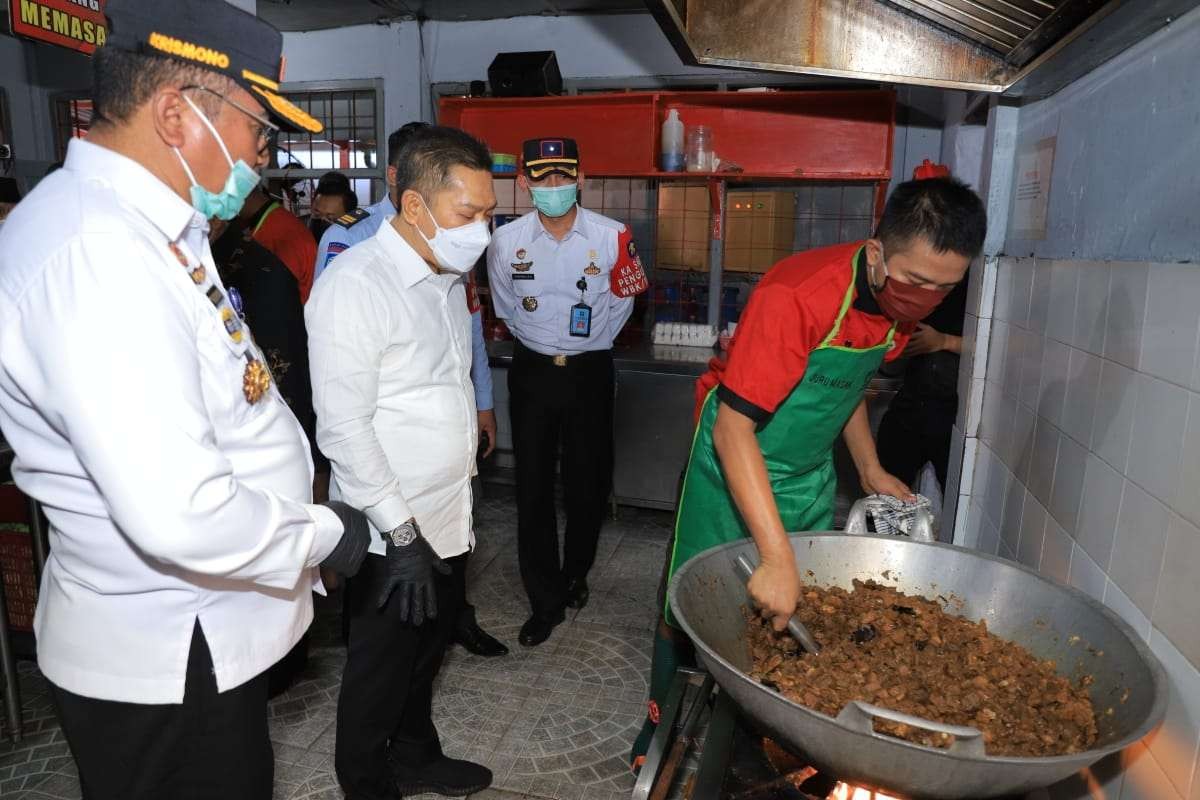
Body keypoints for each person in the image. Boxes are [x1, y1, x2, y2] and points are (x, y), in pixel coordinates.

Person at [0, 2, 399, 797]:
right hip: (163, 656)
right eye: (259, 126)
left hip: (194, 638)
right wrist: (322, 534)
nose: (263, 151)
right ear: (176, 112)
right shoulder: (100, 254)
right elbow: (177, 509)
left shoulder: (149, 231)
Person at [631, 176, 987, 765]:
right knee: (689, 601)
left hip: (807, 467)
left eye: (943, 289)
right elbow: (733, 428)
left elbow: (845, 387)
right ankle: (658, 731)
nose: (925, 299)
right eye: (917, 282)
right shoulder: (799, 295)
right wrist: (775, 557)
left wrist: (868, 467)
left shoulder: (898, 310)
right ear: (877, 253)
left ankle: (755, 728)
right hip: (734, 464)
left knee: (790, 605)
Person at [306, 125, 496, 800]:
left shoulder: (444, 277)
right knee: (380, 667)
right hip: (395, 527)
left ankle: (415, 754)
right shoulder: (355, 285)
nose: (482, 229)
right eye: (466, 214)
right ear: (414, 206)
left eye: (488, 213)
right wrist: (402, 534)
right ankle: (364, 781)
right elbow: (344, 428)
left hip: (449, 511)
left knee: (429, 649)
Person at [486, 137, 649, 647]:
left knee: (587, 482)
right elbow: (506, 308)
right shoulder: (503, 241)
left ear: (580, 178)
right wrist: (543, 341)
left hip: (589, 372)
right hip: (532, 371)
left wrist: (588, 341)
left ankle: (575, 572)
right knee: (531, 486)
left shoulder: (614, 236)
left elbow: (625, 302)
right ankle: (544, 599)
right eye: (541, 178)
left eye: (562, 176)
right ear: (523, 183)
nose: (553, 187)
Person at [876, 276, 967, 491]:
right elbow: (889, 367)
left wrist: (944, 341)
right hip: (911, 403)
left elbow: (1003, 345)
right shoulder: (919, 287)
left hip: (955, 415)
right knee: (885, 499)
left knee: (959, 498)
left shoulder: (981, 282)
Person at [239, 178, 317, 303]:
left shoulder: (275, 231)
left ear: (242, 195)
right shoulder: (276, 220)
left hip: (296, 312)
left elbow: (280, 289)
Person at [308, 170, 357, 242]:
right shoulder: (298, 235)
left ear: (349, 218)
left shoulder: (358, 246)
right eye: (317, 215)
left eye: (331, 219)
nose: (322, 221)